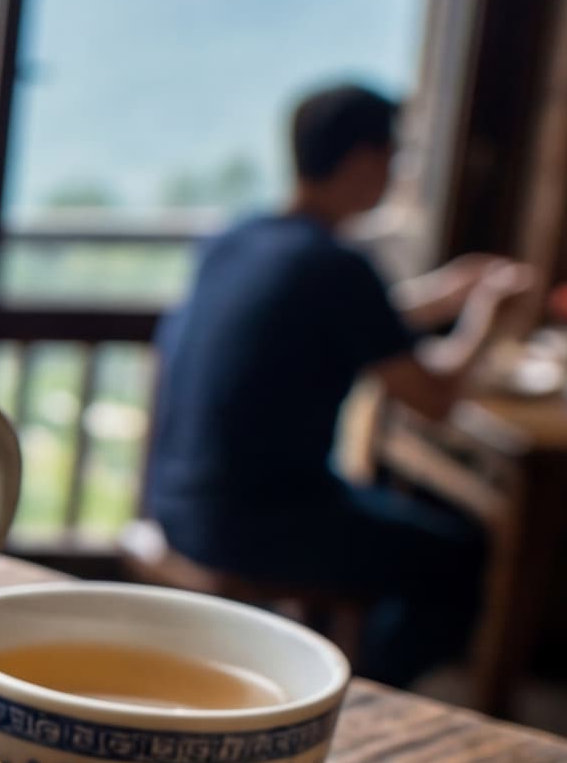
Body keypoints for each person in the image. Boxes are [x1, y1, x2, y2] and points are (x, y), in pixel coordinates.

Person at [144, 82, 533, 683]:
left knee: (398, 523)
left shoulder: (239, 240)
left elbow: (333, 321)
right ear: (362, 160)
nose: (395, 174)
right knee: (463, 555)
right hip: (256, 524)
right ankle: (371, 697)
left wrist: (443, 297)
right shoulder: (337, 265)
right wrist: (487, 319)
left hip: (175, 503)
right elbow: (434, 399)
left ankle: (342, 674)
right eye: (394, 157)